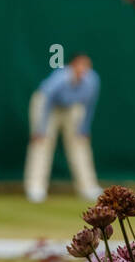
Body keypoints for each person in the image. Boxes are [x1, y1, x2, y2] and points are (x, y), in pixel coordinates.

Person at [24, 53, 101, 203]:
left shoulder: (92, 80)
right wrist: (40, 129)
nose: (83, 69)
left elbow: (89, 105)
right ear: (72, 65)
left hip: (71, 108)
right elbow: (45, 101)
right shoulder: (60, 78)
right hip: (47, 107)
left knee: (80, 145)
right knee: (42, 144)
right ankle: (35, 188)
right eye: (80, 65)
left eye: (86, 66)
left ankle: (88, 187)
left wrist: (84, 128)